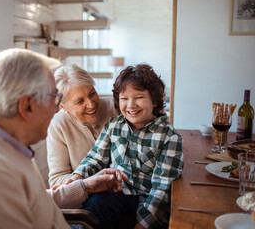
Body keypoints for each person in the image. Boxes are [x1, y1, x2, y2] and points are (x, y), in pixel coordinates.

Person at [0, 48, 129, 229]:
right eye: (54, 99)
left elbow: (32, 200)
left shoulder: (5, 149)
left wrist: (86, 186)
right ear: (26, 106)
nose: (57, 109)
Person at [69, 64, 184, 229]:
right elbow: (95, 158)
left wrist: (143, 224)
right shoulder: (114, 125)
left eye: (139, 97)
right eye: (124, 98)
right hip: (117, 193)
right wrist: (76, 177)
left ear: (155, 101)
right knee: (94, 207)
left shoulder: (170, 137)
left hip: (149, 200)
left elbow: (163, 187)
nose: (131, 105)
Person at [47, 64, 118, 186]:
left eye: (92, 94)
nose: (91, 104)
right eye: (80, 101)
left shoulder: (117, 108)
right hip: (89, 196)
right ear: (64, 107)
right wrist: (88, 183)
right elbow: (56, 179)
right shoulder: (58, 125)